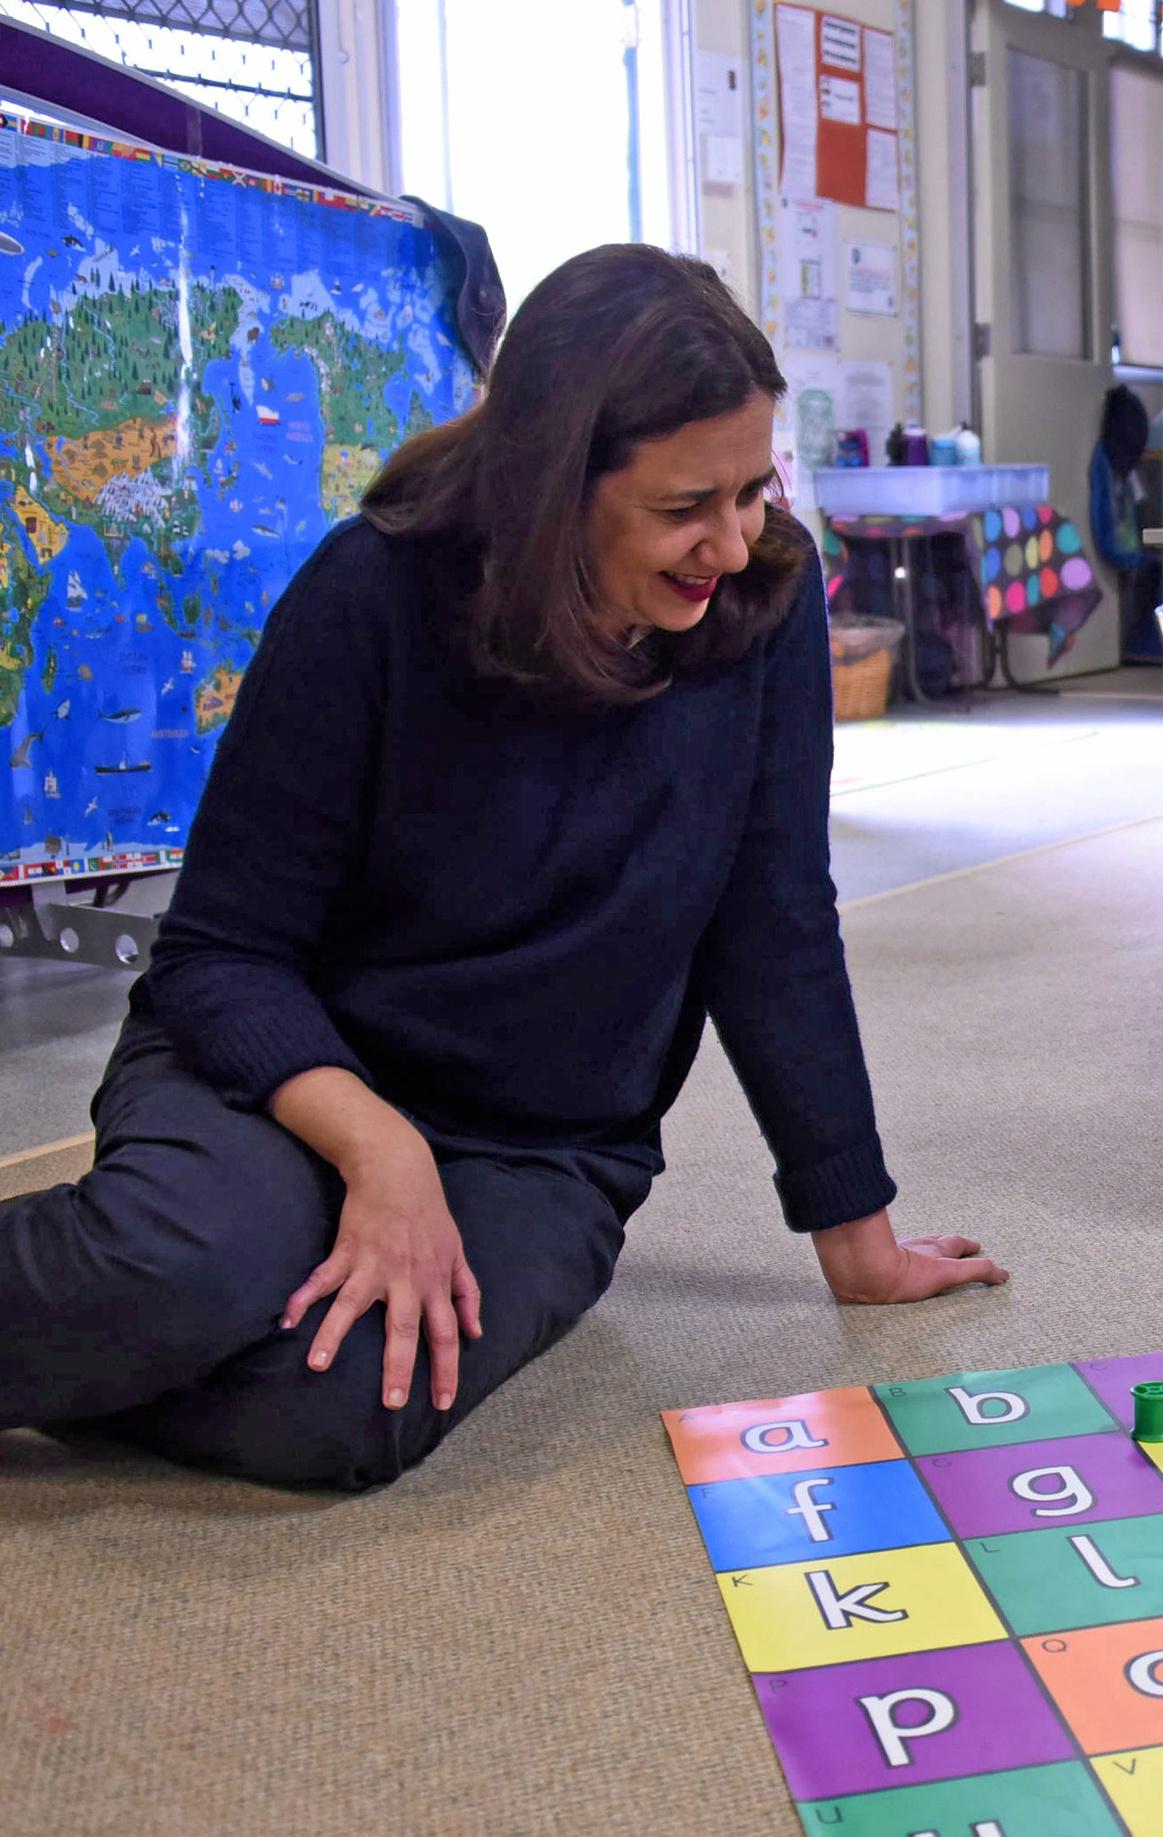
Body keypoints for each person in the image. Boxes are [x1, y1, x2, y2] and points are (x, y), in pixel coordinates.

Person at [0, 246, 1006, 1492]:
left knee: (343, 1407)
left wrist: (857, 1236)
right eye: (687, 507)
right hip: (289, 1073)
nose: (734, 544)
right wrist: (379, 1150)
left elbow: (775, 921)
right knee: (181, 1267)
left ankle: (113, 1354)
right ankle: (147, 1311)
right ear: (550, 482)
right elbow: (221, 954)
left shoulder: (767, 608)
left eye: (752, 491)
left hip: (543, 1145)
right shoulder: (369, 594)